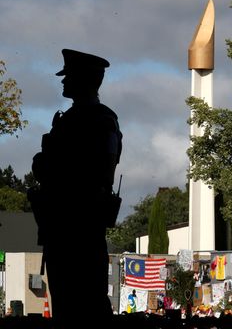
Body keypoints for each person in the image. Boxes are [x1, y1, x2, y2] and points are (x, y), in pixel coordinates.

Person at [29, 49, 122, 327]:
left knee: (79, 302)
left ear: (84, 80)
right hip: (73, 226)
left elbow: (77, 171)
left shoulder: (89, 121)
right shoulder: (91, 119)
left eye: (68, 77)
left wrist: (43, 163)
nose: (63, 82)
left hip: (75, 225)